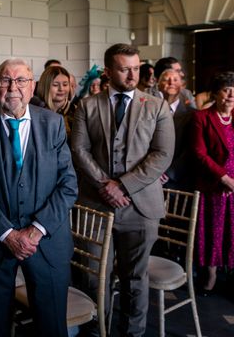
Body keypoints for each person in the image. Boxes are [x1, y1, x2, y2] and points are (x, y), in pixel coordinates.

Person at [0, 58, 78, 337]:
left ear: (33, 86)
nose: (13, 87)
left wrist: (35, 231)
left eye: (21, 80)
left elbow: (68, 183)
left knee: (52, 327)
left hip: (47, 243)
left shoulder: (53, 124)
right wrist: (8, 234)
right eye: (5, 80)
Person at [71, 43, 174, 337]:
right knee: (92, 278)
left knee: (135, 279)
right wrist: (106, 185)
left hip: (141, 206)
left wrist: (124, 184)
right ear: (108, 71)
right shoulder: (88, 105)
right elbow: (79, 149)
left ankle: (133, 333)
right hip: (96, 204)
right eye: (124, 68)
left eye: (136, 67)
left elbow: (162, 154)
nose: (132, 74)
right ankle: (97, 330)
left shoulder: (156, 106)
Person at [191, 71, 234, 294]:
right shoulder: (202, 117)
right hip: (213, 185)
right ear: (215, 94)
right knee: (213, 233)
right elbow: (199, 153)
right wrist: (224, 178)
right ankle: (211, 273)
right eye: (226, 90)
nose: (231, 95)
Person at [158, 69, 195, 190]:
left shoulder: (192, 114)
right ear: (158, 84)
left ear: (182, 85)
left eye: (175, 80)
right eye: (166, 79)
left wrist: (169, 173)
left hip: (178, 180)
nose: (171, 83)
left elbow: (191, 149)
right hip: (151, 176)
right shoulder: (149, 110)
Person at [36, 65, 75, 137]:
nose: (61, 89)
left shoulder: (77, 111)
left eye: (65, 84)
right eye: (55, 85)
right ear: (45, 86)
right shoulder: (35, 112)